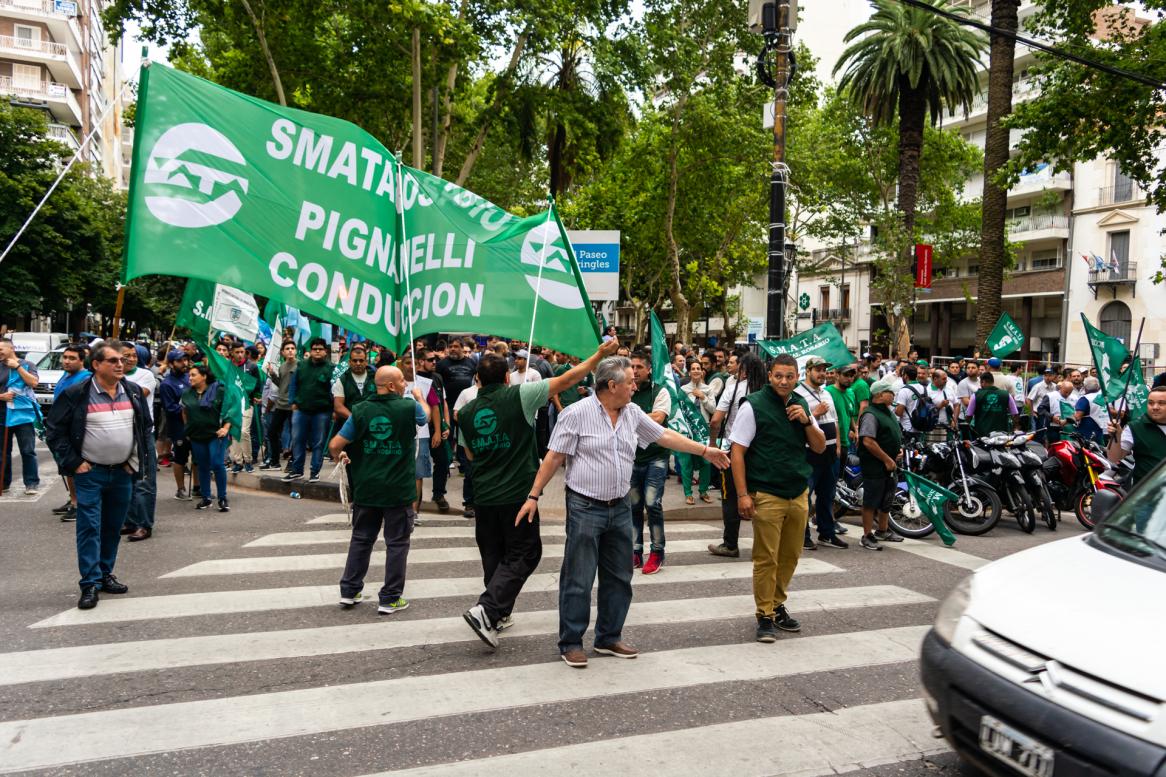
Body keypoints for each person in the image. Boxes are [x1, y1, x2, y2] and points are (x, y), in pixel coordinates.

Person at [515, 355, 729, 668]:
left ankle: (608, 637)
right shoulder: (576, 414)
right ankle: (571, 641)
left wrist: (704, 450)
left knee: (620, 576)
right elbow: (554, 457)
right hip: (585, 506)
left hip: (619, 507)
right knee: (579, 577)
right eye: (630, 382)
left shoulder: (631, 413)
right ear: (611, 385)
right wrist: (534, 495)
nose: (635, 386)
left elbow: (663, 435)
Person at [460, 340, 617, 649]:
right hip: (518, 493)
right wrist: (598, 354)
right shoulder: (520, 395)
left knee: (494, 554)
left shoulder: (465, 412)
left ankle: (495, 615)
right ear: (506, 377)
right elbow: (568, 380)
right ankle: (488, 609)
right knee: (526, 553)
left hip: (484, 494)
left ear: (477, 379)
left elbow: (469, 454)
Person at [45, 341, 151, 610]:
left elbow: (144, 427)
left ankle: (105, 574)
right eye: (113, 361)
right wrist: (74, 462)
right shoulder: (77, 393)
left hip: (122, 474)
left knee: (113, 527)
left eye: (123, 360)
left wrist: (134, 462)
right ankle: (89, 583)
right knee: (89, 527)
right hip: (90, 473)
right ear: (96, 364)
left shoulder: (133, 391)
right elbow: (55, 430)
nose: (121, 365)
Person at [730, 354, 827, 641]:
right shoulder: (754, 405)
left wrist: (808, 420)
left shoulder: (801, 403)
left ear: (797, 376)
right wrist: (743, 495)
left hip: (797, 492)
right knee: (766, 558)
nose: (784, 381)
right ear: (770, 376)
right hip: (766, 493)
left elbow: (820, 447)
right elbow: (737, 452)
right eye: (778, 376)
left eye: (789, 376)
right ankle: (764, 615)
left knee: (790, 556)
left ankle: (776, 603)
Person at [329, 366, 426, 614]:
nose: (405, 383)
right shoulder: (408, 406)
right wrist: (420, 398)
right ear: (392, 386)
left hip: (367, 487)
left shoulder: (361, 409)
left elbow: (336, 444)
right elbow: (424, 416)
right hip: (398, 490)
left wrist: (340, 455)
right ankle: (390, 597)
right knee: (397, 543)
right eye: (402, 380)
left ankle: (349, 591)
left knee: (362, 539)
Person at [707, 352, 765, 558]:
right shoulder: (766, 391)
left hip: (734, 449)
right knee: (763, 497)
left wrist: (713, 443)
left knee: (730, 497)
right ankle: (764, 544)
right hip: (761, 452)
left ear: (744, 370)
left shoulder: (733, 389)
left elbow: (715, 421)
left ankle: (730, 544)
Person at [628, 351, 672, 574]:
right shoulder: (625, 389)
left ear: (648, 370)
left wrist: (630, 416)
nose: (634, 371)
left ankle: (657, 551)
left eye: (638, 367)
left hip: (656, 457)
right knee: (633, 506)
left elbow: (658, 419)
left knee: (652, 504)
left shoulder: (660, 391)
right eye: (631, 367)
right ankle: (635, 551)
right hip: (631, 458)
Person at [794, 356, 845, 550]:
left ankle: (827, 533)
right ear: (808, 371)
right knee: (805, 495)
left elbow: (835, 421)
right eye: (818, 370)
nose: (822, 373)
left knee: (828, 494)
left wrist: (838, 445)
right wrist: (815, 413)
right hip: (810, 452)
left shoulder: (827, 393)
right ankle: (802, 535)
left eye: (824, 370)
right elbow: (797, 422)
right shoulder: (798, 393)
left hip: (831, 452)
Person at [857, 378, 905, 551]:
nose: (893, 395)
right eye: (890, 392)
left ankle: (883, 530)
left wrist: (897, 452)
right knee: (871, 501)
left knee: (887, 497)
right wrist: (886, 459)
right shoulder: (870, 414)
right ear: (879, 394)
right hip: (875, 465)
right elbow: (868, 441)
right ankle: (867, 535)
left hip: (890, 464)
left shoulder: (888, 412)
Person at [120, 342, 158, 542]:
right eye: (125, 355)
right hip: (120, 434)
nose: (130, 359)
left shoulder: (146, 375)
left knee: (144, 481)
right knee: (126, 480)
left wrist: (114, 380)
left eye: (133, 355)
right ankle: (129, 521)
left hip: (142, 434)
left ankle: (144, 524)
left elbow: (135, 395)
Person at [50, 345, 92, 521]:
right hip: (60, 427)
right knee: (66, 468)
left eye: (72, 358)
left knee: (73, 466)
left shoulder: (85, 378)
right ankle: (73, 499)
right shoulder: (66, 375)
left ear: (82, 360)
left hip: (74, 430)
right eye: (65, 357)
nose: (66, 361)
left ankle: (78, 504)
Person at [182, 364, 232, 512]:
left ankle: (222, 498)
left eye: (193, 375)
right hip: (196, 435)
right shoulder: (186, 394)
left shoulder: (219, 390)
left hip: (216, 435)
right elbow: (184, 412)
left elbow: (229, 410)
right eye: (189, 375)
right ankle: (206, 498)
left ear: (204, 376)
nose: (190, 378)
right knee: (202, 466)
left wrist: (225, 428)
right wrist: (188, 429)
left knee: (217, 464)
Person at [285, 338, 333, 482]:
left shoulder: (331, 368)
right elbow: (293, 385)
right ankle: (297, 470)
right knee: (298, 440)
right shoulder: (301, 365)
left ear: (325, 351)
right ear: (310, 351)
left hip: (322, 411)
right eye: (314, 349)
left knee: (318, 443)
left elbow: (335, 391)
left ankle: (314, 472)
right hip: (301, 410)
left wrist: (333, 409)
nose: (317, 351)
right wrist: (292, 401)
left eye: (320, 349)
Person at [0, 337, 40, 495]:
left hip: (23, 414)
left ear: (11, 349)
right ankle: (3, 483)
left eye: (1, 350)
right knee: (3, 452)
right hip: (2, 414)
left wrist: (17, 367)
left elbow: (33, 383)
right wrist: (1, 396)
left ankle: (31, 483)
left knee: (28, 450)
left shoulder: (27, 365)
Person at [417, 349, 453, 513]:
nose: (434, 363)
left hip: (436, 427)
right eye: (430, 360)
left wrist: (445, 425)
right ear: (420, 361)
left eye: (435, 360)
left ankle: (438, 494)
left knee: (443, 461)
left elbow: (442, 403)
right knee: (418, 467)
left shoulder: (437, 377)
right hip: (420, 429)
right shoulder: (414, 378)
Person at [1107, 385, 1166, 487]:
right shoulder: (1134, 427)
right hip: (1148, 494)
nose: (1155, 407)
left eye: (1162, 403)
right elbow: (1114, 457)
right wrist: (1116, 436)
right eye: (1151, 403)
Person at [159, 350, 193, 499]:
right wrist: (188, 408)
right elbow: (170, 408)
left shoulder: (190, 377)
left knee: (197, 456)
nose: (184, 363)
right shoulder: (167, 384)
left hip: (195, 424)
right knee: (180, 457)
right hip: (178, 426)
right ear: (172, 364)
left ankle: (197, 487)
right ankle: (181, 489)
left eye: (186, 360)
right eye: (180, 361)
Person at [262, 340, 298, 471]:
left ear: (296, 351)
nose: (290, 350)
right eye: (287, 348)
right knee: (272, 432)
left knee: (296, 435)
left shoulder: (299, 365)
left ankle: (293, 461)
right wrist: (272, 374)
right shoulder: (282, 367)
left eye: (292, 348)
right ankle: (275, 461)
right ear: (282, 352)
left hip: (293, 406)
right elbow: (281, 384)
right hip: (281, 405)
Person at [228, 342, 262, 473]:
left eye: (242, 352)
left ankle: (248, 460)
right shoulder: (228, 366)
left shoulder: (251, 366)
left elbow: (258, 384)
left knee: (244, 431)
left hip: (247, 403)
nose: (240, 354)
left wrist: (257, 396)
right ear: (232, 353)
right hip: (232, 404)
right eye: (237, 352)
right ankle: (238, 462)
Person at [967, 371, 1019, 435]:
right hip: (1002, 434)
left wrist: (966, 429)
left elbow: (969, 416)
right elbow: (1015, 414)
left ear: (983, 382)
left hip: (981, 434)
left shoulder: (975, 395)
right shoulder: (1006, 395)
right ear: (992, 382)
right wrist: (1016, 428)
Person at [925, 368, 958, 444]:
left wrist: (954, 420)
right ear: (935, 379)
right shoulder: (927, 391)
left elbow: (957, 405)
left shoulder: (949, 388)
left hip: (949, 426)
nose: (946, 381)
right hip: (933, 427)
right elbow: (926, 411)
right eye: (943, 379)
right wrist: (940, 406)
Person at [1074, 376, 1109, 445]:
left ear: (1085, 387)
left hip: (1088, 432)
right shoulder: (1104, 397)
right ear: (1098, 386)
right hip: (1103, 429)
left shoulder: (1085, 398)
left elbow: (1077, 416)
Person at [1027, 367, 1058, 443]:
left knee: (1049, 433)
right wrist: (1032, 412)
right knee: (1039, 433)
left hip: (1050, 414)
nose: (1047, 377)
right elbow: (1029, 399)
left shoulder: (1055, 386)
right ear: (1043, 376)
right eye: (1046, 375)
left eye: (1050, 375)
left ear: (1053, 376)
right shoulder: (1038, 386)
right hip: (1039, 414)